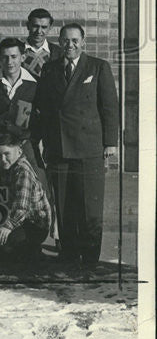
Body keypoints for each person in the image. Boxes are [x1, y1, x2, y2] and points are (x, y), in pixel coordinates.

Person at [31, 22, 118, 269]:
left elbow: (109, 107)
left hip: (89, 147)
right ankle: (69, 254)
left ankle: (90, 258)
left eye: (75, 40)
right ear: (59, 42)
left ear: (83, 42)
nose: (70, 45)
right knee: (65, 204)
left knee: (89, 206)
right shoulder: (50, 69)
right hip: (59, 146)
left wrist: (110, 142)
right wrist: (39, 139)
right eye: (65, 41)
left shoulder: (98, 67)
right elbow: (43, 107)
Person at [0, 38, 40, 180]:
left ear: (22, 57)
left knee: (37, 178)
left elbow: (40, 118)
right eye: (5, 57)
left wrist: (28, 137)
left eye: (14, 57)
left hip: (23, 142)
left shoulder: (34, 84)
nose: (9, 62)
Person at [0, 127, 52, 264]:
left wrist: (7, 226)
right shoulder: (7, 166)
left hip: (35, 224)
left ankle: (32, 251)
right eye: (0, 155)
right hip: (20, 220)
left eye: (7, 154)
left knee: (7, 244)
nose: (3, 159)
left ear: (19, 151)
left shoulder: (23, 171)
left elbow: (21, 207)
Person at [21, 8, 61, 79]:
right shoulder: (18, 50)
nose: (39, 31)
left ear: (50, 28)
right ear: (28, 26)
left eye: (44, 27)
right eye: (35, 26)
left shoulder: (58, 52)